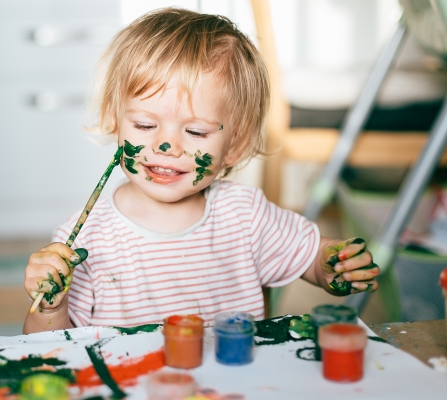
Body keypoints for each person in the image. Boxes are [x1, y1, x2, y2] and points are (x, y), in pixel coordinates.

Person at [23, 7, 379, 334]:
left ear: (234, 145)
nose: (166, 146)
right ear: (115, 121)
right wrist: (51, 306)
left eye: (195, 132)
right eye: (145, 125)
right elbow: (48, 346)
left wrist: (335, 264)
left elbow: (314, 260)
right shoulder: (84, 239)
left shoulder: (245, 216)